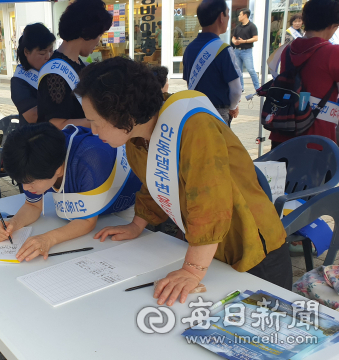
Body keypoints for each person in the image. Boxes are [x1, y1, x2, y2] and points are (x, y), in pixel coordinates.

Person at [74, 57, 291, 307]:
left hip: (251, 248)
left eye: (96, 122)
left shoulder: (194, 125)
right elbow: (153, 182)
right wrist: (137, 225)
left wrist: (192, 270)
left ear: (125, 116)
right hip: (207, 249)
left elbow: (210, 203)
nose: (93, 130)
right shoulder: (136, 136)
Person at [0, 122, 142, 261]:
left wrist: (48, 239)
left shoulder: (90, 159)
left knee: (119, 255)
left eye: (30, 183)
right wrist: (13, 223)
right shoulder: (36, 161)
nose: (26, 189)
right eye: (22, 182)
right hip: (89, 203)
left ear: (58, 169)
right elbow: (33, 205)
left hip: (125, 200)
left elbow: (87, 221)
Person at [269, 0, 339, 148]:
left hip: (283, 130)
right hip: (317, 139)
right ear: (333, 26)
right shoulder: (333, 53)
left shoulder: (288, 49)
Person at [36, 0, 112, 128]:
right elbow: (56, 124)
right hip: (67, 146)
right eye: (100, 34)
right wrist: (101, 122)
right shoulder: (55, 73)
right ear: (87, 32)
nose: (99, 41)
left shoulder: (77, 63)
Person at [183, 0, 242, 125]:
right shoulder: (224, 50)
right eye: (227, 14)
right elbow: (236, 90)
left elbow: (189, 83)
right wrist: (232, 107)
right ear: (221, 17)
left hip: (195, 112)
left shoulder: (189, 48)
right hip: (217, 115)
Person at [11, 23, 55, 126]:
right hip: (36, 136)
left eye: (51, 50)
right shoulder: (19, 81)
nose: (48, 56)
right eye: (42, 53)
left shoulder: (55, 70)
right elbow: (33, 116)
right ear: (26, 52)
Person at [232, 8, 260, 93]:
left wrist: (244, 41)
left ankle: (258, 88)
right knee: (238, 70)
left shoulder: (252, 26)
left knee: (250, 69)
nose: (238, 16)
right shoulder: (238, 27)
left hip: (246, 51)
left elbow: (256, 38)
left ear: (245, 15)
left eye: (240, 15)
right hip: (237, 51)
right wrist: (235, 42)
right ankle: (241, 88)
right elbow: (233, 37)